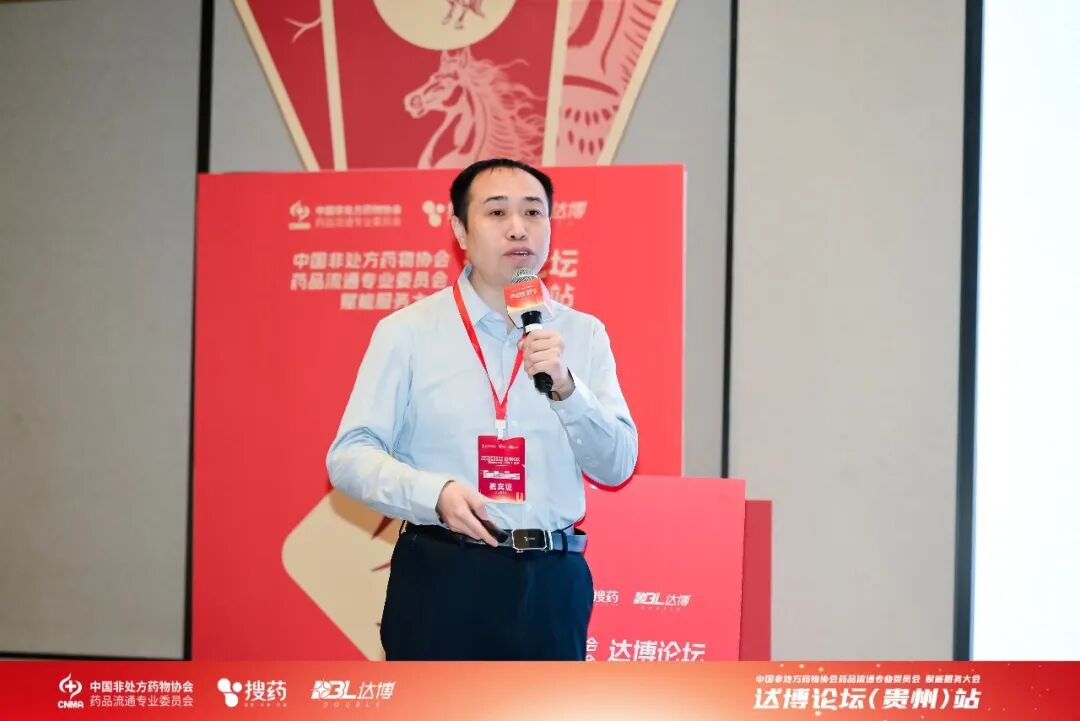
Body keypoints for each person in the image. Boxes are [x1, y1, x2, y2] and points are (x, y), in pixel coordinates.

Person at [326, 158, 637, 660]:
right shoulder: (407, 332)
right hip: (444, 573)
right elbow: (349, 457)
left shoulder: (583, 334)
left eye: (533, 213)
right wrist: (435, 494)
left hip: (553, 581)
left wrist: (566, 387)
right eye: (496, 213)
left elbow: (618, 464)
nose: (518, 228)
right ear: (460, 231)